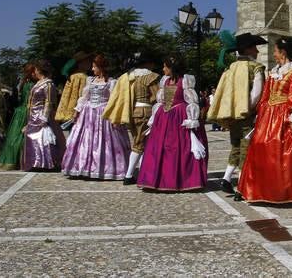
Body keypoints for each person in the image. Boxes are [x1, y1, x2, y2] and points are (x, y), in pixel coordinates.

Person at [237, 37, 292, 204]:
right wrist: (260, 114)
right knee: (261, 147)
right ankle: (260, 189)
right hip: (269, 116)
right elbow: (266, 95)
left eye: (275, 50)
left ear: (283, 52)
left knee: (289, 152)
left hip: (286, 116)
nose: (273, 53)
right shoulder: (273, 72)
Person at [207, 32, 267, 196]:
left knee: (235, 146)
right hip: (247, 114)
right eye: (254, 47)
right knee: (246, 148)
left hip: (231, 114)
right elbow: (256, 93)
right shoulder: (256, 68)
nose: (257, 50)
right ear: (248, 49)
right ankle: (241, 185)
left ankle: (226, 178)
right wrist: (249, 109)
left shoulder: (230, 68)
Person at [137, 56, 208, 191]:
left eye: (165, 66)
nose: (163, 69)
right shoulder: (165, 81)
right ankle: (158, 180)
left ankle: (182, 180)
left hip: (179, 117)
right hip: (163, 117)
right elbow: (161, 100)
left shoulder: (185, 81)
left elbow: (192, 101)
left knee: (179, 149)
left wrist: (192, 119)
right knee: (159, 148)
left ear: (172, 68)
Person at [62, 55, 130, 180]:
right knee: (85, 140)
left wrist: (114, 116)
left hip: (103, 113)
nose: (92, 69)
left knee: (104, 141)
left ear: (101, 67)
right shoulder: (90, 80)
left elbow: (114, 100)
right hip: (88, 114)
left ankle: (103, 168)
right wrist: (77, 110)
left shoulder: (111, 82)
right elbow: (84, 97)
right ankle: (83, 167)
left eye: (94, 67)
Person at [102, 52, 160, 185]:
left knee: (140, 141)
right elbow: (158, 96)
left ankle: (144, 172)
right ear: (147, 63)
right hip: (146, 111)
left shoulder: (126, 77)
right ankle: (129, 175)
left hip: (132, 112)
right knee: (140, 143)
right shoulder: (150, 76)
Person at [21, 60, 66, 171]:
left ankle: (46, 163)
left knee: (43, 138)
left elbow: (49, 102)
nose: (34, 72)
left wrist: (44, 118)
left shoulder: (48, 84)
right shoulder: (39, 83)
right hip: (33, 115)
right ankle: (34, 162)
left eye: (36, 69)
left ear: (39, 70)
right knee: (33, 137)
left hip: (42, 115)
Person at [0, 64, 35, 170]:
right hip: (27, 111)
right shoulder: (30, 85)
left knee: (14, 136)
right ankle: (22, 159)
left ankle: (13, 160)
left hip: (20, 111)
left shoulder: (24, 83)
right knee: (21, 137)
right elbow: (30, 101)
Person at [56, 52, 93, 130]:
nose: (90, 63)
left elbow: (64, 97)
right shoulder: (83, 77)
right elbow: (83, 96)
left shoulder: (72, 76)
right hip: (78, 112)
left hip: (69, 111)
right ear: (80, 63)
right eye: (87, 61)